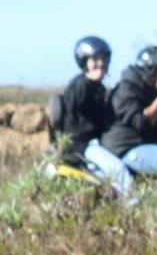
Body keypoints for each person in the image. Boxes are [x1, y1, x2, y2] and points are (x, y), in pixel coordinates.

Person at [100, 45, 157, 186]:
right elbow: (141, 123)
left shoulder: (149, 91)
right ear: (152, 71)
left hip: (145, 146)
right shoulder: (126, 90)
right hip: (125, 149)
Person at [54, 36, 127, 192]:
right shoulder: (79, 85)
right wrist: (90, 81)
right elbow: (78, 101)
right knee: (118, 169)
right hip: (80, 146)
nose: (100, 64)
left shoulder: (100, 89)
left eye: (103, 60)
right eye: (94, 59)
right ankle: (133, 206)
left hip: (95, 145)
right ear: (84, 61)